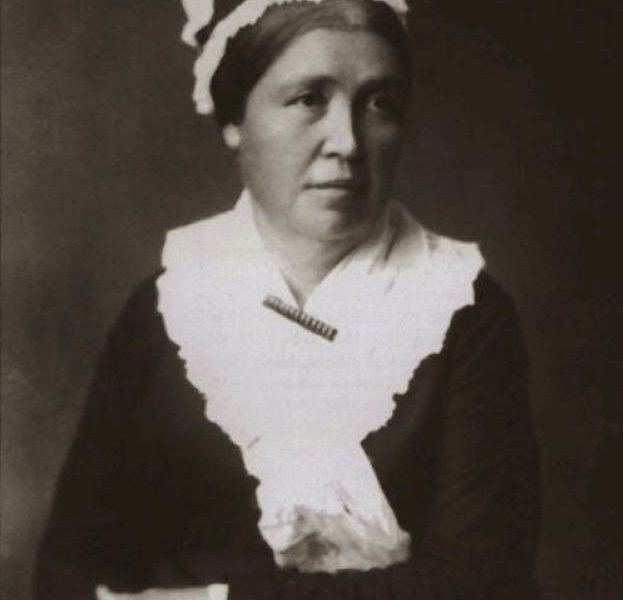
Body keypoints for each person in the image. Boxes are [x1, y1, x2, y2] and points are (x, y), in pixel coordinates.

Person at [36, 0, 541, 598]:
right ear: (234, 119)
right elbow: (68, 572)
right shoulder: (170, 304)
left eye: (379, 103)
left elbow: (481, 583)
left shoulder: (461, 310)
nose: (347, 142)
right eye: (308, 99)